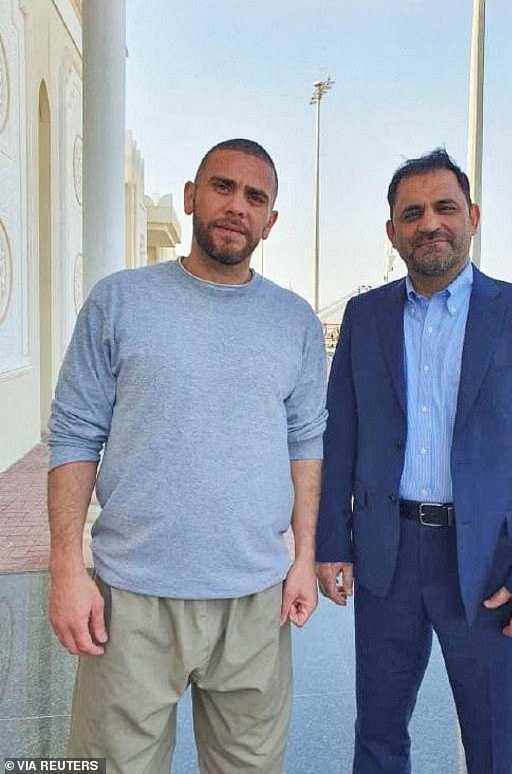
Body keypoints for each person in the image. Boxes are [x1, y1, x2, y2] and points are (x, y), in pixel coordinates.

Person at [48, 138, 327, 774]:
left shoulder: (294, 321)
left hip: (255, 597)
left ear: (271, 220)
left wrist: (304, 558)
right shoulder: (119, 301)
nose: (237, 206)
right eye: (222, 187)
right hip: (132, 597)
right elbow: (73, 432)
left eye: (255, 197)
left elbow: (306, 442)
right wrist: (67, 565)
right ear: (191, 198)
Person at [316, 148, 512, 774]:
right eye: (412, 213)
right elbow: (342, 436)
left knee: (495, 746)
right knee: (378, 736)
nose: (429, 223)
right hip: (388, 559)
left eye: (444, 207)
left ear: (473, 217)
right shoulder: (365, 316)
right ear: (392, 231)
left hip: (491, 568)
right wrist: (333, 543)